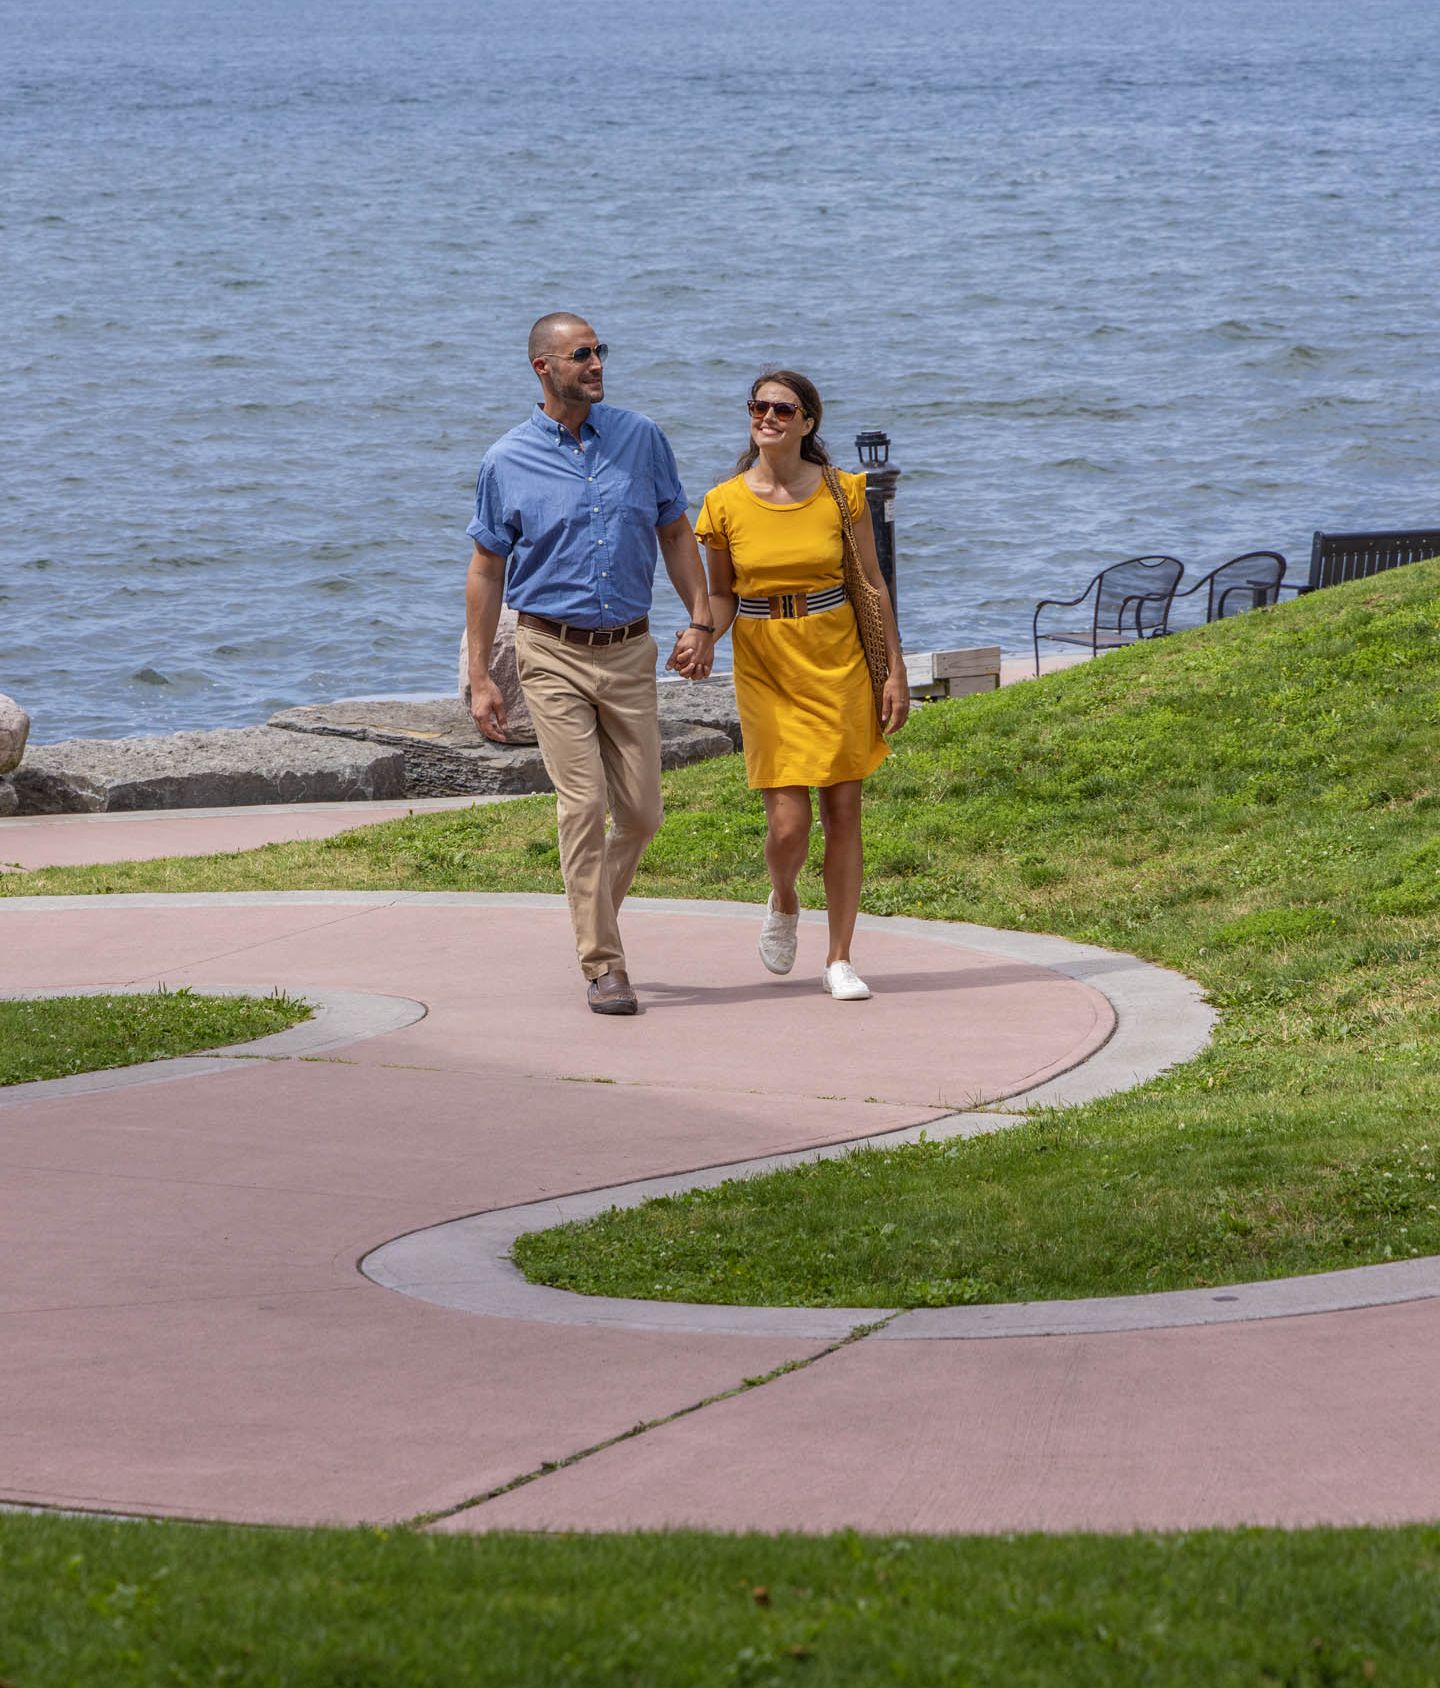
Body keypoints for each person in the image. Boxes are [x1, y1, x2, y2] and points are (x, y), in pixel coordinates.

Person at [465, 313, 716, 1016]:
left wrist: (700, 620)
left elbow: (674, 528)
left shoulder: (642, 439)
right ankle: (604, 964)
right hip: (548, 653)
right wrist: (483, 675)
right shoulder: (505, 460)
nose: (597, 364)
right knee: (584, 804)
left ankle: (588, 912)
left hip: (630, 651)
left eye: (600, 352)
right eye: (582, 355)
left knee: (641, 815)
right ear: (543, 368)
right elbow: (487, 570)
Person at [688, 370, 908, 1000]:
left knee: (844, 810)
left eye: (783, 409)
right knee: (788, 824)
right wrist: (703, 630)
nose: (768, 417)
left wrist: (893, 670)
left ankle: (839, 957)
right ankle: (784, 896)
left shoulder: (844, 493)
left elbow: (871, 583)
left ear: (807, 422)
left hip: (837, 656)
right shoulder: (723, 502)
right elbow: (725, 592)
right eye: (758, 407)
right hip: (765, 663)